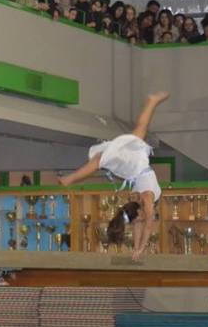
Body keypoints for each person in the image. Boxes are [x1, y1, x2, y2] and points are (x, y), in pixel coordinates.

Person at [60, 91, 170, 261]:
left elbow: (145, 227)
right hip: (134, 168)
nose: (141, 220)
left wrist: (139, 249)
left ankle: (152, 101)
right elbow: (143, 226)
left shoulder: (143, 200)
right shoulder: (144, 200)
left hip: (135, 167)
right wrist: (139, 249)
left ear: (138, 211)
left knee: (110, 153)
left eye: (137, 219)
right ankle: (152, 102)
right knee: (102, 159)